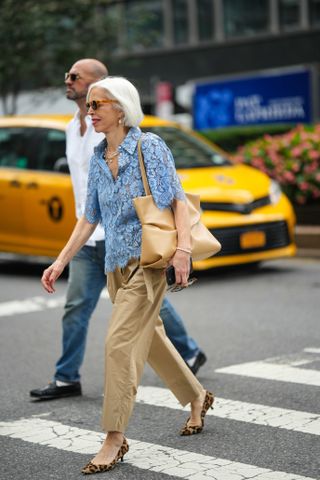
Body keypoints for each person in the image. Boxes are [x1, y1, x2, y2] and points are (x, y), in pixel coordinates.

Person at [41, 76, 214, 474]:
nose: (90, 111)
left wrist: (183, 251)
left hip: (149, 263)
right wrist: (60, 261)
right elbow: (90, 218)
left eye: (97, 104)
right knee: (150, 340)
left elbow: (177, 201)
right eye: (89, 105)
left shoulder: (148, 146)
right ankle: (197, 396)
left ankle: (114, 438)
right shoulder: (99, 156)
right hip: (115, 267)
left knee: (119, 345)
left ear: (120, 107)